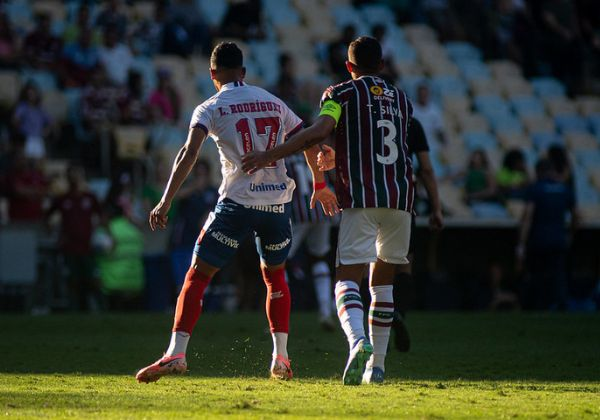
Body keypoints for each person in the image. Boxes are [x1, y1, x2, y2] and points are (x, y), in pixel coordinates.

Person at [135, 42, 338, 383]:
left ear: (212, 74)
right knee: (275, 278)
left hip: (236, 204)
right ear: (243, 72)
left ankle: (176, 353)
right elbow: (307, 142)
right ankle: (281, 359)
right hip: (277, 206)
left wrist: (166, 199)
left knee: (197, 276)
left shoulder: (210, 106)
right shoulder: (273, 101)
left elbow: (188, 152)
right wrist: (319, 185)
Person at [242, 36, 414, 385]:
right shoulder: (401, 99)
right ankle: (376, 368)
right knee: (382, 286)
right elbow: (384, 145)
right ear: (381, 66)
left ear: (349, 68)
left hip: (362, 199)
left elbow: (318, 131)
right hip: (400, 199)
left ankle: (357, 343)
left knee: (346, 279)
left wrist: (268, 155)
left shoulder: (339, 94)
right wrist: (340, 156)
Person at [516, 158, 578, 310]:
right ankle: (561, 306)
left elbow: (528, 217)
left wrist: (521, 244)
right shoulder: (564, 189)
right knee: (558, 275)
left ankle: (537, 307)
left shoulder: (535, 188)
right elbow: (577, 216)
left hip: (538, 239)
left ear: (538, 172)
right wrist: (570, 235)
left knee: (537, 275)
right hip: (559, 239)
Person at [285, 153, 335, 330]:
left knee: (278, 262)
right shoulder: (314, 145)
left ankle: (279, 317)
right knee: (319, 258)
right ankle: (325, 312)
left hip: (299, 212)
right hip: (323, 209)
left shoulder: (284, 151)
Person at [46, 165, 103, 311]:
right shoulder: (63, 199)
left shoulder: (90, 198)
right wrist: (51, 232)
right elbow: (47, 216)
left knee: (90, 279)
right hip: (69, 246)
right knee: (73, 280)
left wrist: (106, 234)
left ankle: (93, 308)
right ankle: (74, 309)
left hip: (86, 246)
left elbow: (102, 216)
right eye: (72, 174)